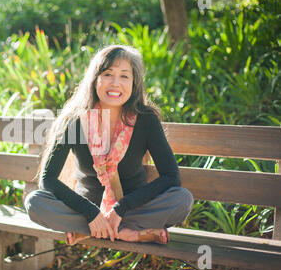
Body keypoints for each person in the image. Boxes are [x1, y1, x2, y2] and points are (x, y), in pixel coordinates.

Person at [24, 44, 193, 246]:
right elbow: (48, 179)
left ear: (134, 83)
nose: (115, 83)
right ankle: (127, 233)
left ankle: (94, 231)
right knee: (35, 203)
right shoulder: (75, 120)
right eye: (107, 74)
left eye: (124, 76)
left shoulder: (146, 119)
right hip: (86, 211)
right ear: (95, 79)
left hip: (131, 208)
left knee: (182, 200)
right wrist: (92, 213)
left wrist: (120, 209)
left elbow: (171, 177)